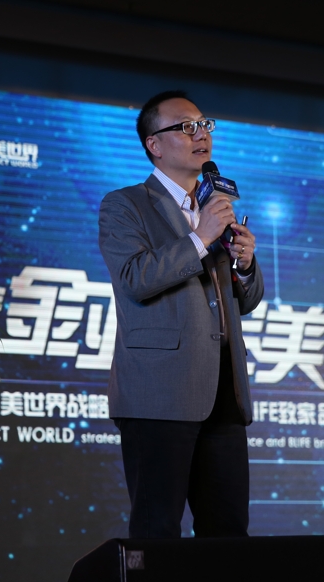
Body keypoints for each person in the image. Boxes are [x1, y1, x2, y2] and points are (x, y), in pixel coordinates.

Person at [98, 90, 265, 539]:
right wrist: (199, 238)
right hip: (159, 394)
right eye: (186, 127)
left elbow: (244, 302)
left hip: (224, 392)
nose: (200, 134)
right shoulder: (126, 204)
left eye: (204, 125)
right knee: (157, 532)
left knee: (229, 533)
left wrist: (245, 264)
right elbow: (135, 278)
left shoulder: (214, 207)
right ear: (154, 144)